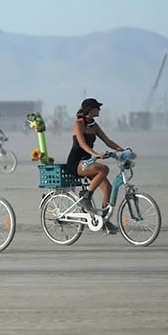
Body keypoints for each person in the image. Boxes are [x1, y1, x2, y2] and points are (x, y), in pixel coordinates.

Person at [66, 98, 125, 234]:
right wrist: (95, 154)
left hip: (87, 163)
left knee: (108, 189)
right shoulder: (79, 123)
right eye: (97, 107)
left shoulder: (94, 126)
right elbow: (81, 143)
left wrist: (121, 150)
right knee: (104, 169)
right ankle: (86, 196)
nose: (99, 109)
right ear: (90, 109)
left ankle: (104, 221)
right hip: (76, 163)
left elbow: (107, 140)